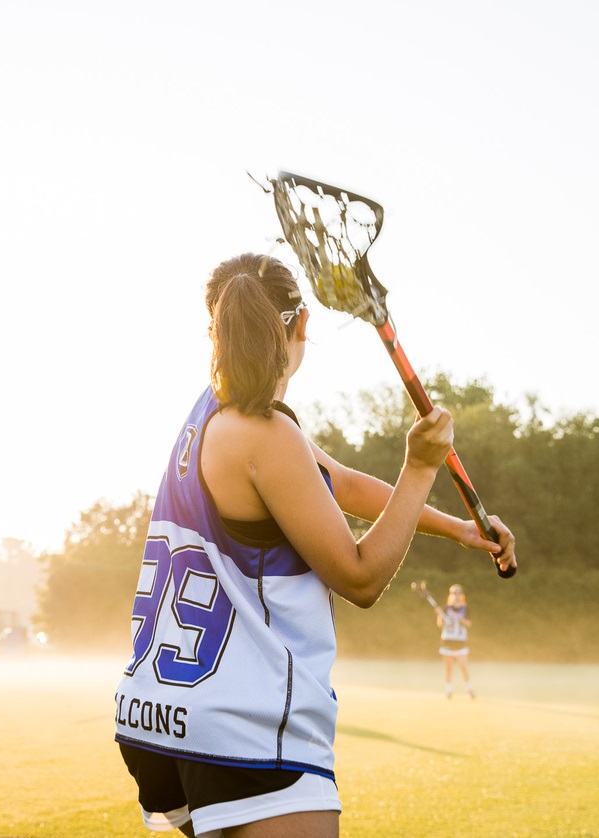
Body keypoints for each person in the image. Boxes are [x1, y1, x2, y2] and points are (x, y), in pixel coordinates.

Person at [113, 253, 516, 838]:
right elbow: (360, 578)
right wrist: (420, 467)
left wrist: (459, 528)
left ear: (216, 330)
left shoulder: (215, 419)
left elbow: (341, 485)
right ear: (302, 323)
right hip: (246, 726)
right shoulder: (266, 437)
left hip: (163, 719)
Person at [437, 584, 474, 700]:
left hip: (461, 641)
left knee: (464, 667)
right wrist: (439, 615)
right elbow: (440, 625)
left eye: (458, 593)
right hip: (448, 641)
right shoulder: (445, 608)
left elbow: (470, 624)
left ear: (461, 595)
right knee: (449, 668)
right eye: (454, 593)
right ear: (451, 595)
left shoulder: (465, 609)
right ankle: (448, 691)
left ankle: (469, 690)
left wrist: (461, 619)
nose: (456, 595)